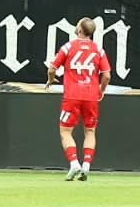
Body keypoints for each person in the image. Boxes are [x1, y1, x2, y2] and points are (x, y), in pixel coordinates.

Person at [47, 16, 111, 181]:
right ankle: (87, 165)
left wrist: (50, 80)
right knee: (90, 131)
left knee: (65, 131)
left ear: (80, 29)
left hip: (72, 95)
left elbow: (52, 69)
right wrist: (101, 90)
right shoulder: (99, 50)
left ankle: (74, 162)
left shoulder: (68, 47)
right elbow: (106, 75)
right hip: (91, 96)